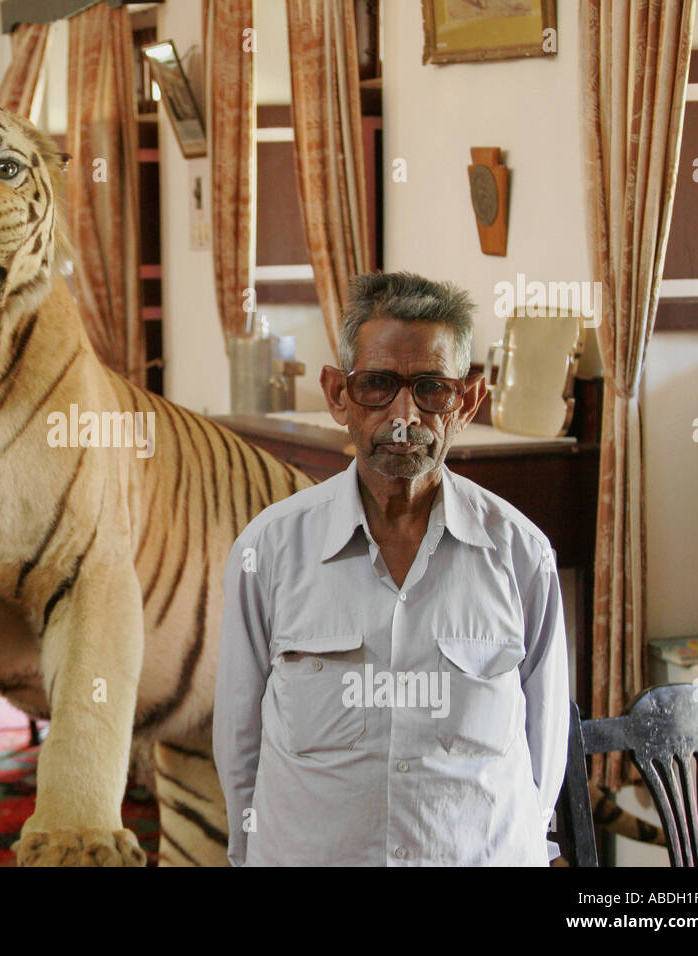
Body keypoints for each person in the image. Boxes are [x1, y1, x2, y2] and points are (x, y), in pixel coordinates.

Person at [214, 271, 569, 866]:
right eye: (378, 385)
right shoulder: (268, 553)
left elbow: (544, 751)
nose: (404, 415)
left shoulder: (520, 556)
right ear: (337, 395)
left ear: (467, 401)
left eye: (431, 388)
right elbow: (239, 740)